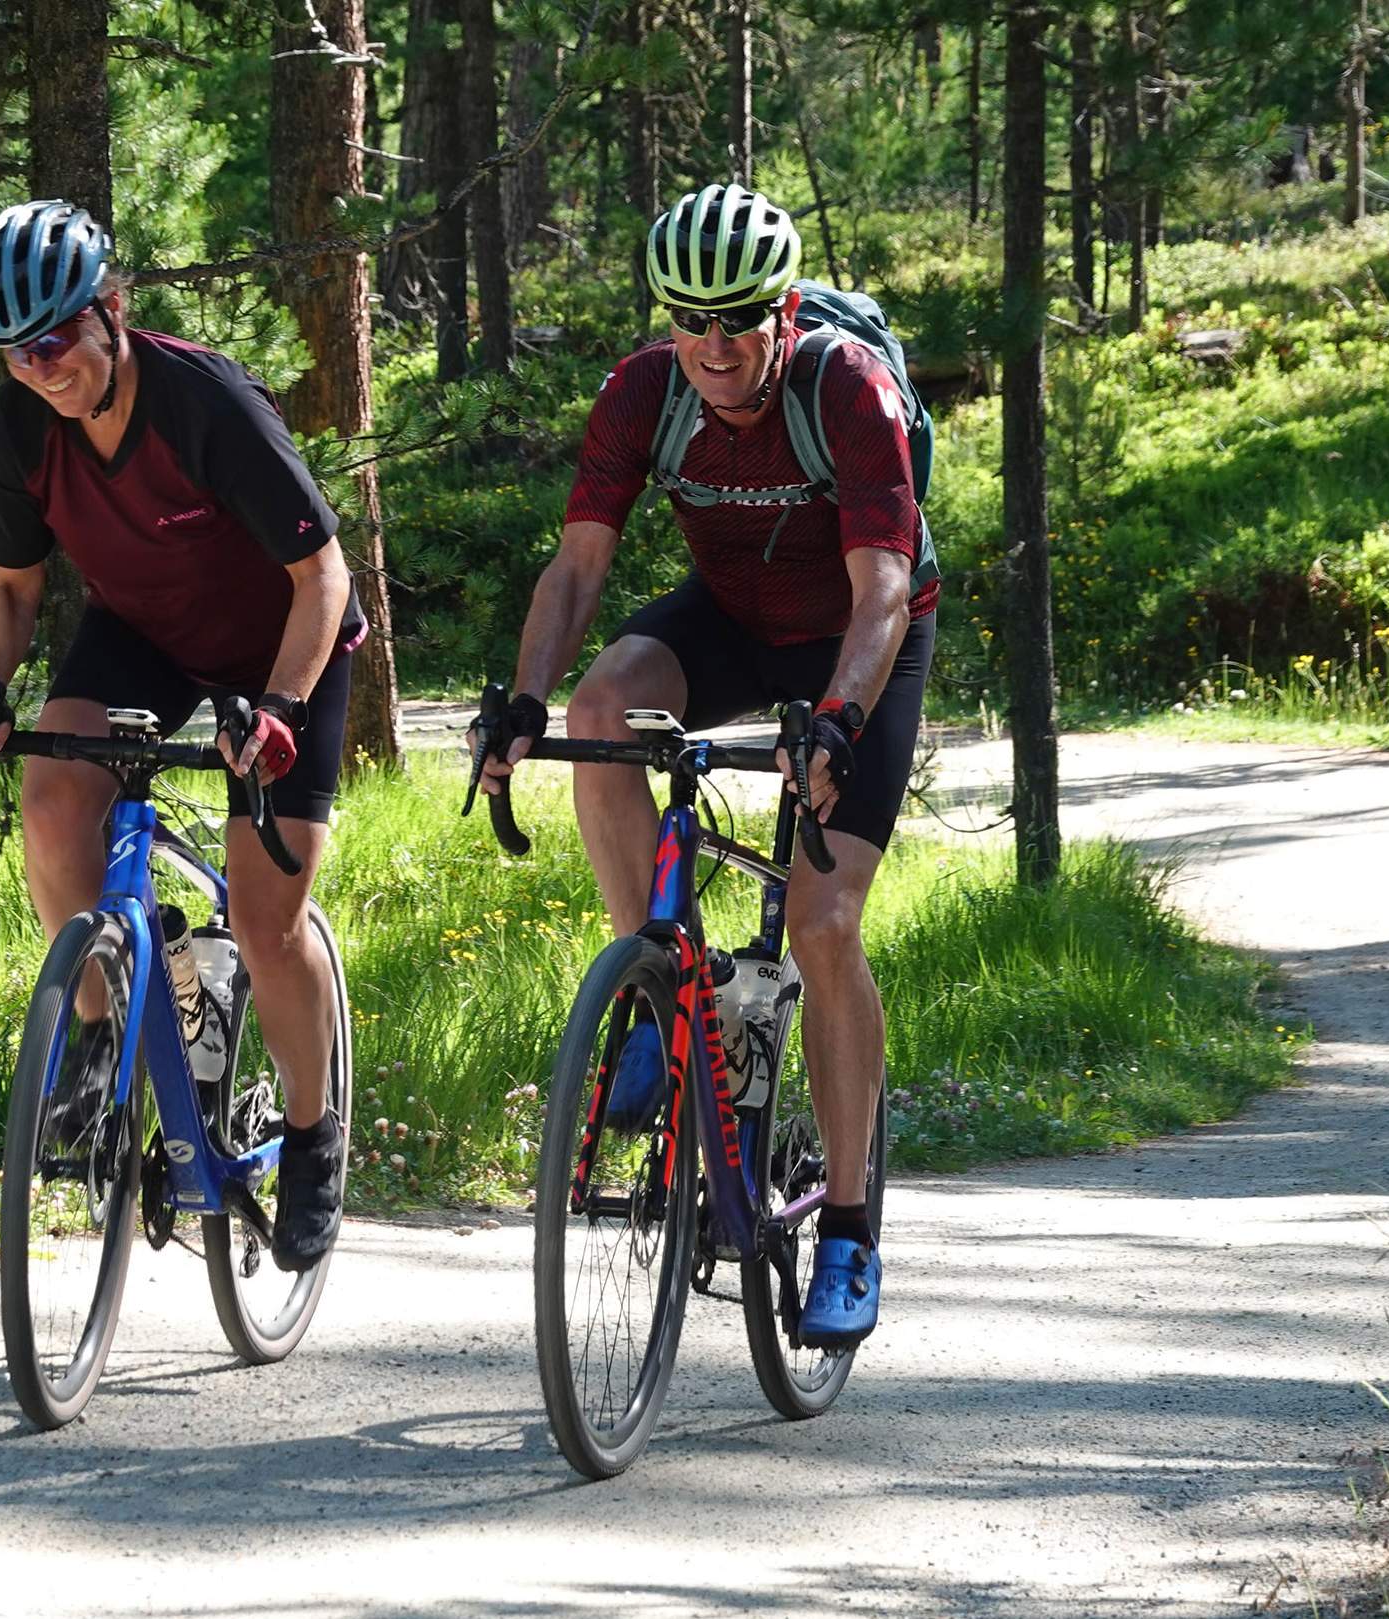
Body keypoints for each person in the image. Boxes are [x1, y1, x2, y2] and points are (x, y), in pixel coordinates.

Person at [475, 184, 938, 1345]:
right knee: (601, 703)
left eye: (738, 320)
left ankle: (847, 1224)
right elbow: (579, 569)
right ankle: (653, 986)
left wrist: (834, 720)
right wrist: (525, 700)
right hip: (732, 615)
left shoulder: (849, 390)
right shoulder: (643, 393)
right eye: (691, 321)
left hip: (857, 636)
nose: (715, 347)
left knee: (826, 921)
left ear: (783, 312)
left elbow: (882, 584)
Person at [0, 199, 360, 1271]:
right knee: (50, 799)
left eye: (52, 342)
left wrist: (277, 708)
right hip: (146, 637)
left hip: (284, 644)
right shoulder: (23, 425)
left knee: (268, 916)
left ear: (111, 310)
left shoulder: (203, 401)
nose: (37, 369)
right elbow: (10, 587)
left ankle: (314, 1135)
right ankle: (96, 1030)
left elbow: (323, 575)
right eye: (11, 354)